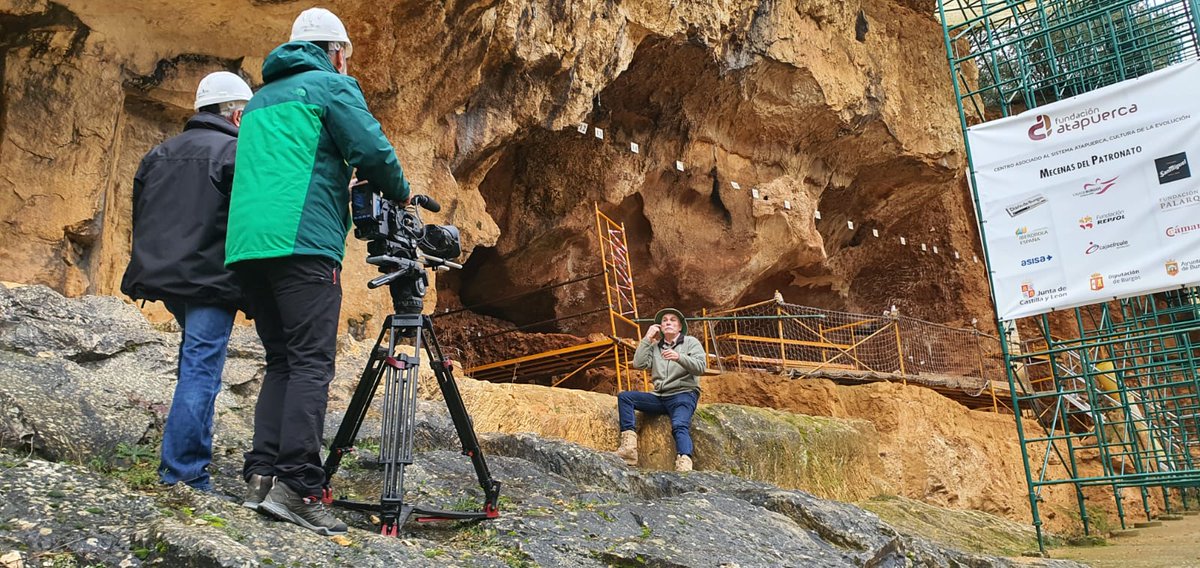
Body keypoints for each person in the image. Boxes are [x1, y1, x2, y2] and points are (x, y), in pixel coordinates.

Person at [225, 7, 411, 536]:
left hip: (248, 249)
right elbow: (373, 151)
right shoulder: (330, 87)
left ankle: (261, 476)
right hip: (302, 244)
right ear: (335, 52)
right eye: (346, 57)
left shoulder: (258, 100)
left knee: (282, 361)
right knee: (310, 365)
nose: (346, 65)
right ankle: (300, 487)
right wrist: (398, 193)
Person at [120, 71, 254, 492]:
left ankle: (182, 465)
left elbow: (141, 217)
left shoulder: (159, 153)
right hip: (211, 281)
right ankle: (184, 474)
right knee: (201, 371)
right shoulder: (235, 155)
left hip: (165, 277)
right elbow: (248, 223)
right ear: (235, 116)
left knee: (193, 363)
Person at [616, 308, 706, 472]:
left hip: (683, 394)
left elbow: (700, 367)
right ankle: (629, 449)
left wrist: (679, 357)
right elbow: (639, 364)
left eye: (673, 320)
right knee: (625, 397)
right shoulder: (656, 346)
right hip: (660, 397)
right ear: (660, 326)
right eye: (664, 320)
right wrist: (647, 338)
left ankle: (684, 463)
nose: (668, 322)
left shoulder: (690, 342)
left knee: (679, 424)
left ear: (680, 327)